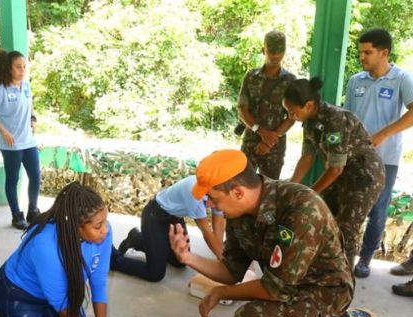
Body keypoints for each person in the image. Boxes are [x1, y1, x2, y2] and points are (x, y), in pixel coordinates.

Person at [169, 149, 353, 317]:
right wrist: (187, 258)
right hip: (286, 286)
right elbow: (232, 270)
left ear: (238, 192)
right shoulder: (238, 213)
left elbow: (274, 289)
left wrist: (220, 292)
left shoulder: (301, 209)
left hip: (324, 290)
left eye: (212, 197)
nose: (210, 205)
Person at [0, 182, 125, 317]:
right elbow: (61, 303)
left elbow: (98, 282)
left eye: (105, 222)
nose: (105, 230)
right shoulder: (46, 245)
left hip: (54, 297)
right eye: (98, 226)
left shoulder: (103, 234)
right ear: (75, 227)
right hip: (20, 294)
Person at [283, 77, 385, 268]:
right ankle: (322, 270)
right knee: (323, 217)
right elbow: (306, 158)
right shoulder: (310, 121)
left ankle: (342, 285)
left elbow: (335, 168)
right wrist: (292, 187)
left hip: (363, 177)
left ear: (308, 105)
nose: (290, 116)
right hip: (341, 176)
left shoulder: (335, 120)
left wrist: (310, 193)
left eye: (292, 112)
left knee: (346, 229)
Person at [343, 28, 413, 278]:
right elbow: (347, 118)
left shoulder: (402, 79)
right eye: (360, 52)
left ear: (384, 52)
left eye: (367, 52)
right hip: (355, 158)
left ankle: (365, 259)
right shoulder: (355, 81)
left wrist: (384, 134)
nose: (362, 56)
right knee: (349, 207)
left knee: (377, 209)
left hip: (386, 159)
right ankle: (342, 256)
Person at [109, 175, 225, 282]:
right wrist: (225, 265)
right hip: (155, 217)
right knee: (155, 273)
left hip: (174, 218)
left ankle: (138, 240)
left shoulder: (218, 191)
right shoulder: (194, 193)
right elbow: (206, 231)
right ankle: (113, 260)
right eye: (211, 201)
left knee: (180, 259)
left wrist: (221, 257)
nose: (213, 206)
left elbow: (218, 223)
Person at [0, 50, 40, 229]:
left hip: (28, 140)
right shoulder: (1, 90)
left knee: (36, 176)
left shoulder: (26, 85)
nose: (22, 70)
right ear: (9, 68)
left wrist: (32, 118)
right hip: (11, 144)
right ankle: (16, 214)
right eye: (18, 67)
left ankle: (33, 211)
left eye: (24, 67)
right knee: (13, 179)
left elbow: (29, 105)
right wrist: (3, 131)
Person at [237, 30, 295, 179]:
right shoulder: (251, 77)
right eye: (271, 51)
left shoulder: (290, 81)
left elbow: (292, 116)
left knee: (269, 189)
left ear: (284, 52)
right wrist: (261, 131)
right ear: (264, 50)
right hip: (251, 141)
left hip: (275, 146)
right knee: (243, 183)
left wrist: (269, 142)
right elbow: (242, 108)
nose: (275, 56)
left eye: (279, 51)